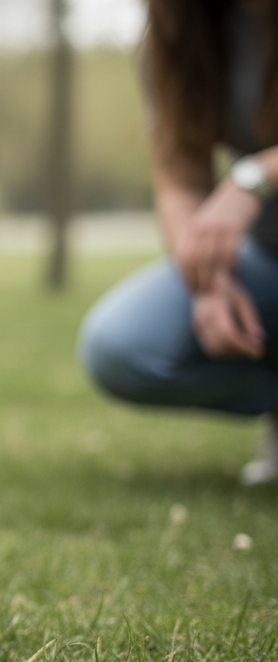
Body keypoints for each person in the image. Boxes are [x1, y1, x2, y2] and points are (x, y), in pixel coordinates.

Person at [78, 0, 278, 484]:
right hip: (270, 257)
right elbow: (179, 180)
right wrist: (207, 281)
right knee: (121, 346)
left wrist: (253, 179)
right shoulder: (177, 28)